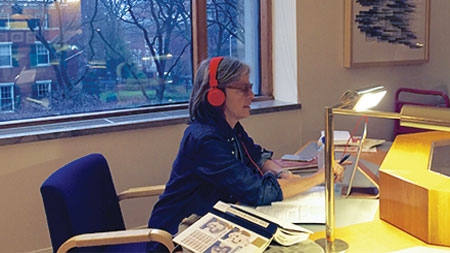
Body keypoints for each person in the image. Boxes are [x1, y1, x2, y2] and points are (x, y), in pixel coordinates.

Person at [147, 56, 344, 251]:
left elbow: (257, 157)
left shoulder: (230, 127)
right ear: (215, 95)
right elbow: (258, 191)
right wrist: (320, 177)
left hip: (215, 222)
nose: (251, 95)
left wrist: (282, 174)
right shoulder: (205, 140)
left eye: (250, 87)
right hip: (178, 237)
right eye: (243, 89)